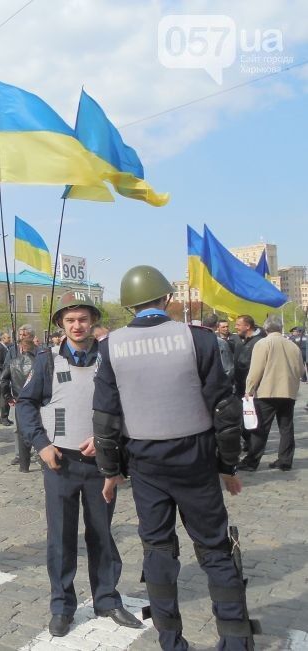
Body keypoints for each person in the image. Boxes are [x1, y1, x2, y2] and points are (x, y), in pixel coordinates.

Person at [93, 266, 255, 651]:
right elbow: (224, 409)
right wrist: (227, 466)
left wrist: (109, 471)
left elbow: (105, 416)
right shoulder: (197, 339)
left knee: (159, 550)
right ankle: (235, 639)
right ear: (166, 299)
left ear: (128, 304)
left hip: (145, 460)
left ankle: (170, 640)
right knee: (215, 548)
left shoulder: (110, 346)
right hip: (195, 456)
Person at [18, 292, 141, 637]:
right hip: (60, 463)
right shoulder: (45, 362)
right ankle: (62, 605)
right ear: (61, 324)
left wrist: (109, 440)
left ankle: (107, 598)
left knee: (101, 533)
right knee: (61, 537)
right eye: (70, 320)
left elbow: (126, 405)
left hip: (101, 463)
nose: (77, 326)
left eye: (83, 319)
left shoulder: (109, 358)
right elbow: (25, 406)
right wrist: (41, 445)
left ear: (93, 323)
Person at [238, 315, 302, 471]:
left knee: (260, 429)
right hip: (288, 392)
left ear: (266, 329)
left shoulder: (263, 343)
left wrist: (249, 389)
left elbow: (255, 370)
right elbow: (301, 370)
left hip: (267, 392)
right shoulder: (293, 346)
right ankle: (285, 461)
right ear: (280, 328)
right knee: (286, 428)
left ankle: (252, 461)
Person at [0, 324, 37, 471]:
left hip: (21, 400)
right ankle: (25, 457)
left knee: (23, 431)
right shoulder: (37, 360)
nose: (21, 337)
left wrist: (8, 396)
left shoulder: (16, 361)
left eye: (24, 335)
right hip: (34, 399)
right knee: (30, 429)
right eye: (20, 335)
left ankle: (24, 464)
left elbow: (3, 380)